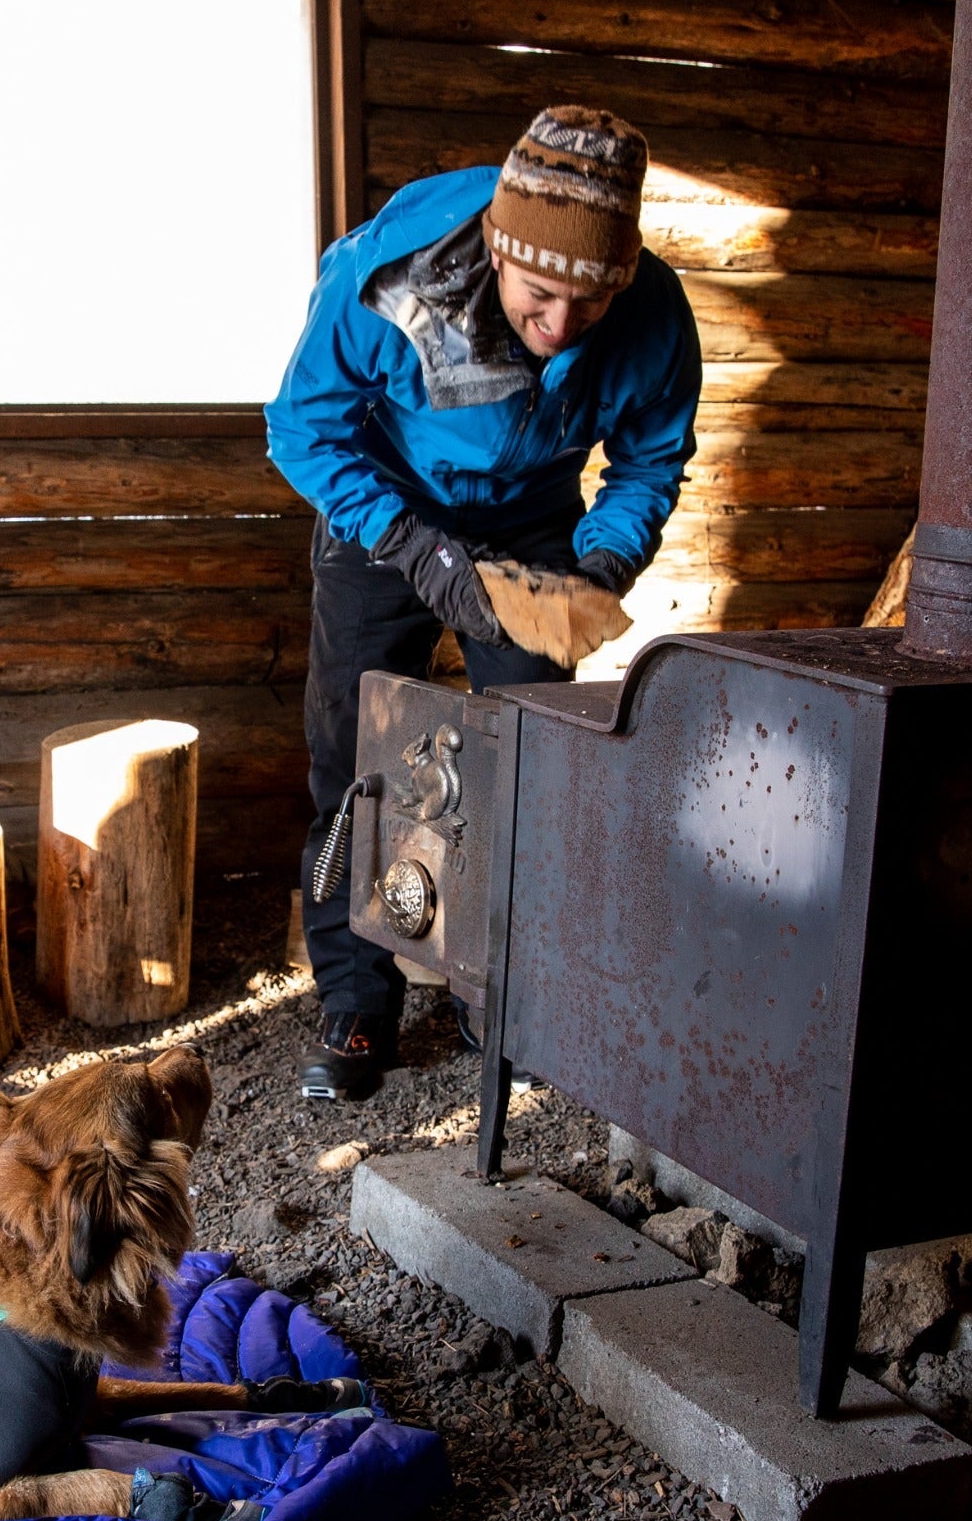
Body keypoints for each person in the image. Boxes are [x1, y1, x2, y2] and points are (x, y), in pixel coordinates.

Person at [265, 106, 703, 1100]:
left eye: (586, 303)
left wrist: (597, 566)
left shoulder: (652, 314)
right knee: (351, 761)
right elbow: (301, 430)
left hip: (531, 519)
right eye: (539, 295)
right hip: (382, 510)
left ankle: (491, 981)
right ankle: (356, 999)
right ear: (496, 255)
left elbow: (647, 460)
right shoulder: (386, 278)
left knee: (528, 764)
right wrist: (420, 552)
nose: (558, 326)